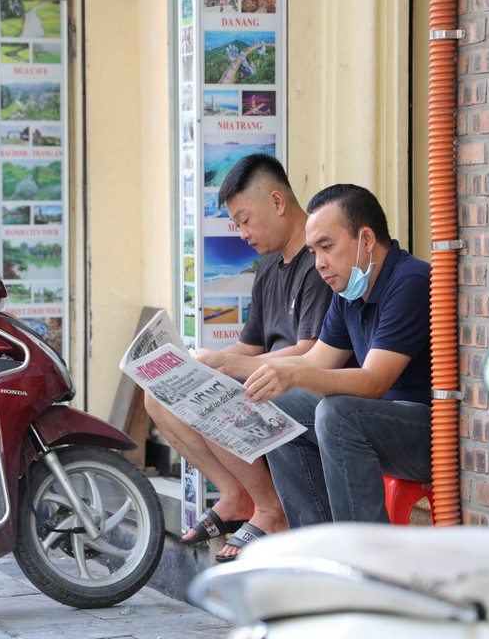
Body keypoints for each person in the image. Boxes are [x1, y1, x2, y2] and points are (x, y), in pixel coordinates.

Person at [197, 184, 432, 527]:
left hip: (429, 434)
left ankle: (362, 561)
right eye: (313, 251)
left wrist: (291, 376)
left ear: (366, 240)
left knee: (338, 414)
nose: (319, 263)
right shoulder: (348, 289)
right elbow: (315, 361)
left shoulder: (409, 280)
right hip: (383, 425)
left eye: (327, 247)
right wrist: (229, 364)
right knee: (273, 403)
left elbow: (373, 382)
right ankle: (313, 542)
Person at [145, 154, 332, 561]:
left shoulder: (319, 263)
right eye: (236, 224)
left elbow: (314, 353)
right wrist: (189, 366)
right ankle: (236, 495)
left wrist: (226, 367)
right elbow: (249, 345)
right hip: (268, 381)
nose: (242, 233)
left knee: (221, 390)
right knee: (158, 396)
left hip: (302, 389)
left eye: (245, 220)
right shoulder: (267, 268)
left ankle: (271, 507)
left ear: (278, 202)